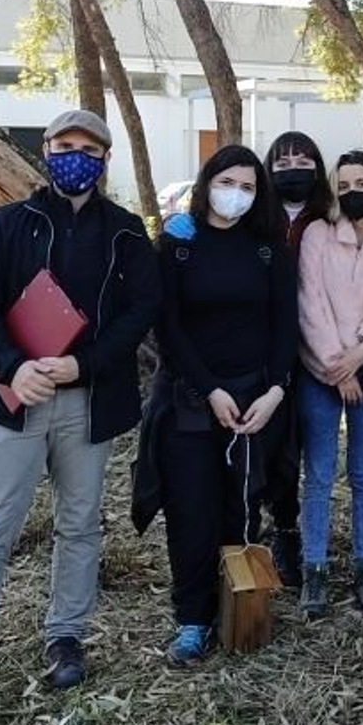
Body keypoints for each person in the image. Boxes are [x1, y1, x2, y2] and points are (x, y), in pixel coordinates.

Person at [0, 110, 160, 712]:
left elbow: (141, 310)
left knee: (79, 524)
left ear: (105, 160)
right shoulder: (10, 223)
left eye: (88, 149)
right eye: (64, 145)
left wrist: (86, 363)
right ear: (44, 151)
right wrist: (14, 366)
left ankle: (66, 636)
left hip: (88, 404)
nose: (76, 156)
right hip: (14, 403)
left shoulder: (124, 231)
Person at [150, 145, 299, 665]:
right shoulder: (178, 244)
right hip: (192, 398)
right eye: (226, 181)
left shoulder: (267, 249)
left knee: (239, 509)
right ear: (206, 181)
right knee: (191, 509)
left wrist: (275, 391)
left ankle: (234, 606)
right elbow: (166, 326)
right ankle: (191, 618)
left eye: (247, 186)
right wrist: (209, 388)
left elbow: (286, 325)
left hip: (255, 400)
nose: (235, 193)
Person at [296, 150, 363, 618]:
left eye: (361, 182)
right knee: (319, 474)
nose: (352, 192)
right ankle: (314, 571)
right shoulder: (318, 234)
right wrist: (336, 367)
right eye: (343, 186)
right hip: (321, 371)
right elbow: (310, 301)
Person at [258, 131, 335, 586]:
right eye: (282, 160)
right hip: (268, 348)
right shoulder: (255, 213)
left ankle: (307, 535)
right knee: (277, 450)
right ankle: (281, 528)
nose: (292, 167)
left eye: (302, 158)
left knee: (314, 451)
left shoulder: (330, 214)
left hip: (321, 345)